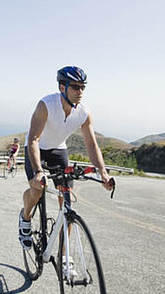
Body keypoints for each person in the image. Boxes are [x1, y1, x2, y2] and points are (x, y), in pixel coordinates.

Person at [18, 66, 114, 250]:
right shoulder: (46, 105)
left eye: (83, 87)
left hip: (58, 151)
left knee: (67, 202)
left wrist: (103, 173)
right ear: (63, 87)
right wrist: (39, 172)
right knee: (37, 190)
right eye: (76, 87)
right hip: (37, 148)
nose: (80, 92)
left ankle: (64, 258)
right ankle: (25, 217)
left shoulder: (83, 113)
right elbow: (33, 139)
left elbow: (92, 145)